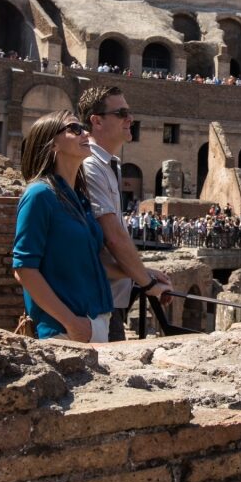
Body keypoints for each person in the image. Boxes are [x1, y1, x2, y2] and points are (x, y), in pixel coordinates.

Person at [79, 86, 172, 341]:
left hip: (113, 295)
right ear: (96, 121)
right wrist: (147, 283)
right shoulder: (90, 166)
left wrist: (142, 271)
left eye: (128, 112)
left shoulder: (110, 165)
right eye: (121, 113)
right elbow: (113, 238)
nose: (130, 119)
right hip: (98, 300)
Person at [11, 110, 113, 342]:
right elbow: (24, 269)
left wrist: (144, 276)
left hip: (94, 320)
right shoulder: (39, 195)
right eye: (74, 129)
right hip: (63, 330)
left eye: (83, 128)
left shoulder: (79, 198)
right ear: (52, 144)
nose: (85, 133)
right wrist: (71, 322)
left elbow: (92, 260)